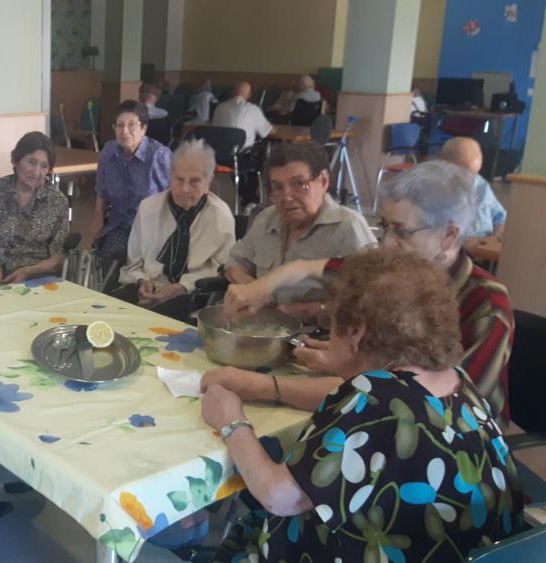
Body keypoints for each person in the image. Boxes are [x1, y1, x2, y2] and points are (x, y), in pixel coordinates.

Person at [202, 248, 522, 562]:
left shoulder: (373, 397)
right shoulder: (456, 381)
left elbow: (280, 497)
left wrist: (231, 419)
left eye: (331, 321)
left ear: (356, 332)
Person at [219, 161, 515, 419]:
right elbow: (308, 269)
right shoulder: (393, 273)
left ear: (449, 235)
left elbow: (429, 403)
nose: (388, 243)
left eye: (402, 231)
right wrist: (260, 287)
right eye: (386, 227)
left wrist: (272, 386)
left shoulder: (486, 303)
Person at [224, 141, 376, 314]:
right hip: (262, 322)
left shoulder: (347, 227)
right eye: (278, 187)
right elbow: (235, 263)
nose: (287, 197)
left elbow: (372, 301)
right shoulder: (266, 219)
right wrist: (253, 288)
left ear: (323, 181)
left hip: (317, 329)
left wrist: (317, 310)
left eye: (299, 184)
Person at [115, 139, 235, 322]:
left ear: (209, 181)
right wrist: (142, 281)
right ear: (170, 176)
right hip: (148, 286)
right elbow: (134, 263)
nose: (185, 189)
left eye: (194, 181)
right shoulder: (148, 208)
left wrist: (180, 287)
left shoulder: (221, 217)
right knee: (110, 310)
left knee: (156, 319)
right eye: (179, 180)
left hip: (193, 294)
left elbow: (223, 271)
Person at [0, 132, 69, 287]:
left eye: (44, 166)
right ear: (15, 160)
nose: (36, 172)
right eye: (31, 162)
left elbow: (58, 257)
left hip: (36, 276)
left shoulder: (57, 202)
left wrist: (27, 271)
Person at [88, 100, 172, 271]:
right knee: (108, 260)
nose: (125, 131)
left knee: (149, 269)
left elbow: (174, 198)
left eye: (132, 124)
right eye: (119, 125)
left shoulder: (159, 156)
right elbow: (101, 193)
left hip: (153, 227)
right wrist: (97, 222)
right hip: (121, 224)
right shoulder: (109, 152)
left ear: (144, 128)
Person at [440, 137, 507, 248]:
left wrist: (495, 238)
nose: (470, 179)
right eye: (464, 174)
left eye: (473, 173)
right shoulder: (433, 188)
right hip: (454, 249)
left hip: (486, 245)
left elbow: (500, 218)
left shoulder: (481, 184)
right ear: (444, 164)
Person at [211, 81, 274, 149]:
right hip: (243, 153)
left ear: (232, 92)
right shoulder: (253, 109)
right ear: (249, 95)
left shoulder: (220, 107)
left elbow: (214, 128)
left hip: (220, 151)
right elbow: (269, 131)